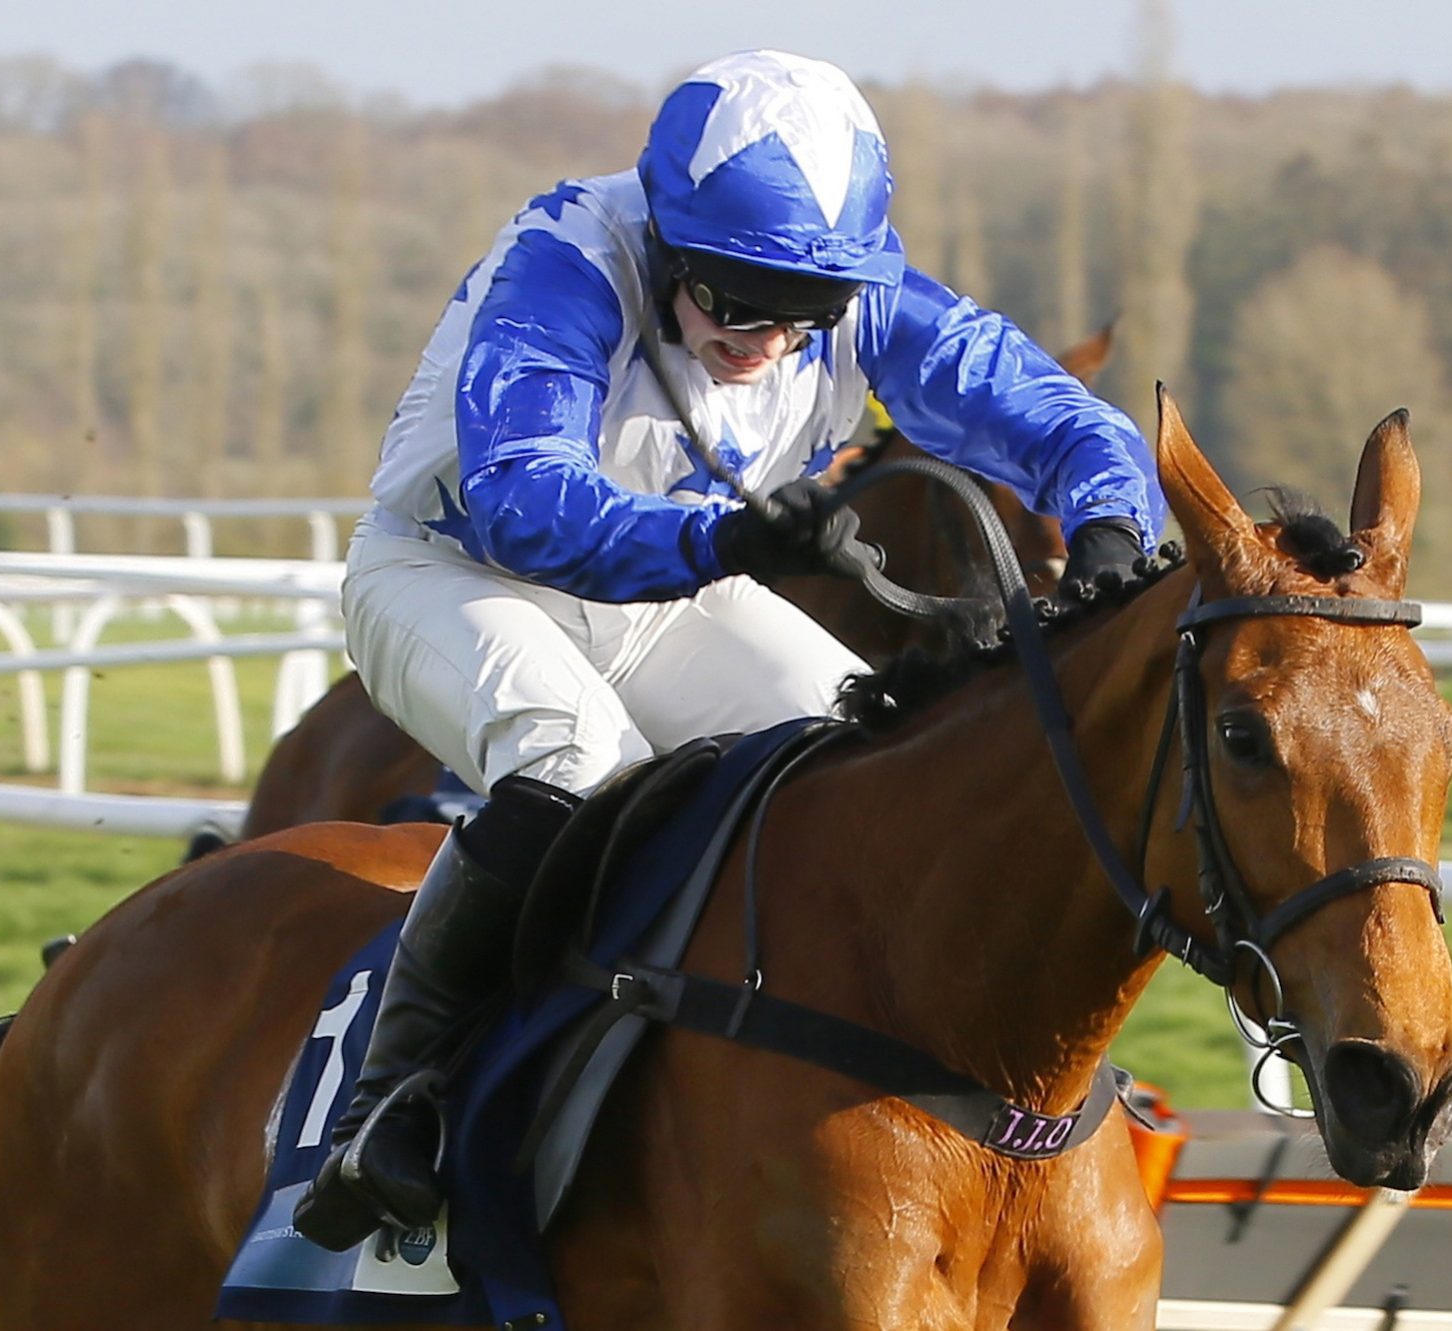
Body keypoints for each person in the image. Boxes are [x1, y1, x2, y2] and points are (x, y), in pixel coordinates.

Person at [293, 48, 1167, 1250]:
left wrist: (1114, 526)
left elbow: (1062, 418)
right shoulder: (566, 256)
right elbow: (523, 499)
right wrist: (731, 535)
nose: (767, 337)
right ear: (666, 240)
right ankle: (397, 1095)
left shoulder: (859, 293)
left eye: (804, 313)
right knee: (576, 755)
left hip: (670, 589)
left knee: (854, 752)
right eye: (733, 298)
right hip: (451, 572)